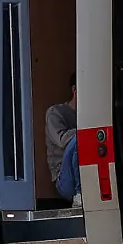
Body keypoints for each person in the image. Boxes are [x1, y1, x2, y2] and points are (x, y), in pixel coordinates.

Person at [46, 74, 80, 207]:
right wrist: (85, 130)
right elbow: (62, 140)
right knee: (79, 139)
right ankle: (79, 194)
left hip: (87, 171)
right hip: (64, 179)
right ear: (75, 90)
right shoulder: (55, 112)